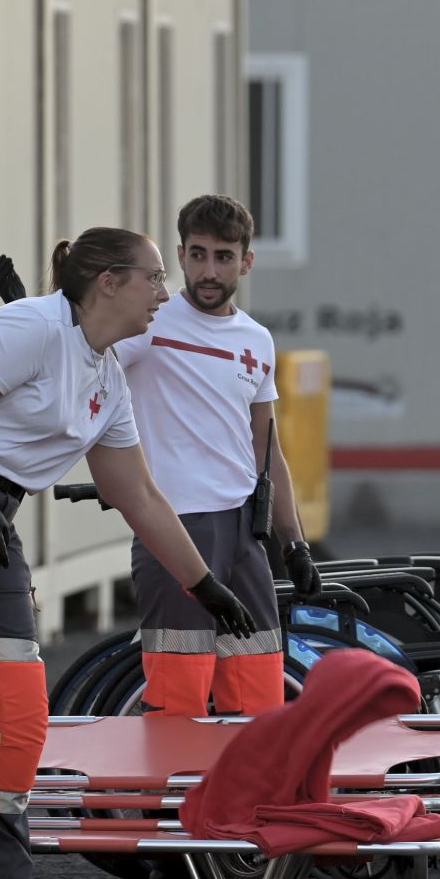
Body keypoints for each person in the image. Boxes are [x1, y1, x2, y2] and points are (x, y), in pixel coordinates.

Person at [0, 227, 255, 879]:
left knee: (15, 707)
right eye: (152, 278)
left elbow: (138, 493)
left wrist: (205, 586)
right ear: (107, 281)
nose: (163, 294)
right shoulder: (34, 324)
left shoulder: (108, 377)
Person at [114, 195, 322, 718]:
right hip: (176, 526)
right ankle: (162, 804)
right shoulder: (148, 324)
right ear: (181, 256)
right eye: (199, 254)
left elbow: (267, 446)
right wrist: (32, 313)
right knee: (179, 700)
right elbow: (79, 356)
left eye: (224, 257)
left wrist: (294, 542)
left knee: (259, 699)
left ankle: (247, 804)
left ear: (246, 262)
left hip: (245, 534)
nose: (210, 270)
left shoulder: (257, 340)